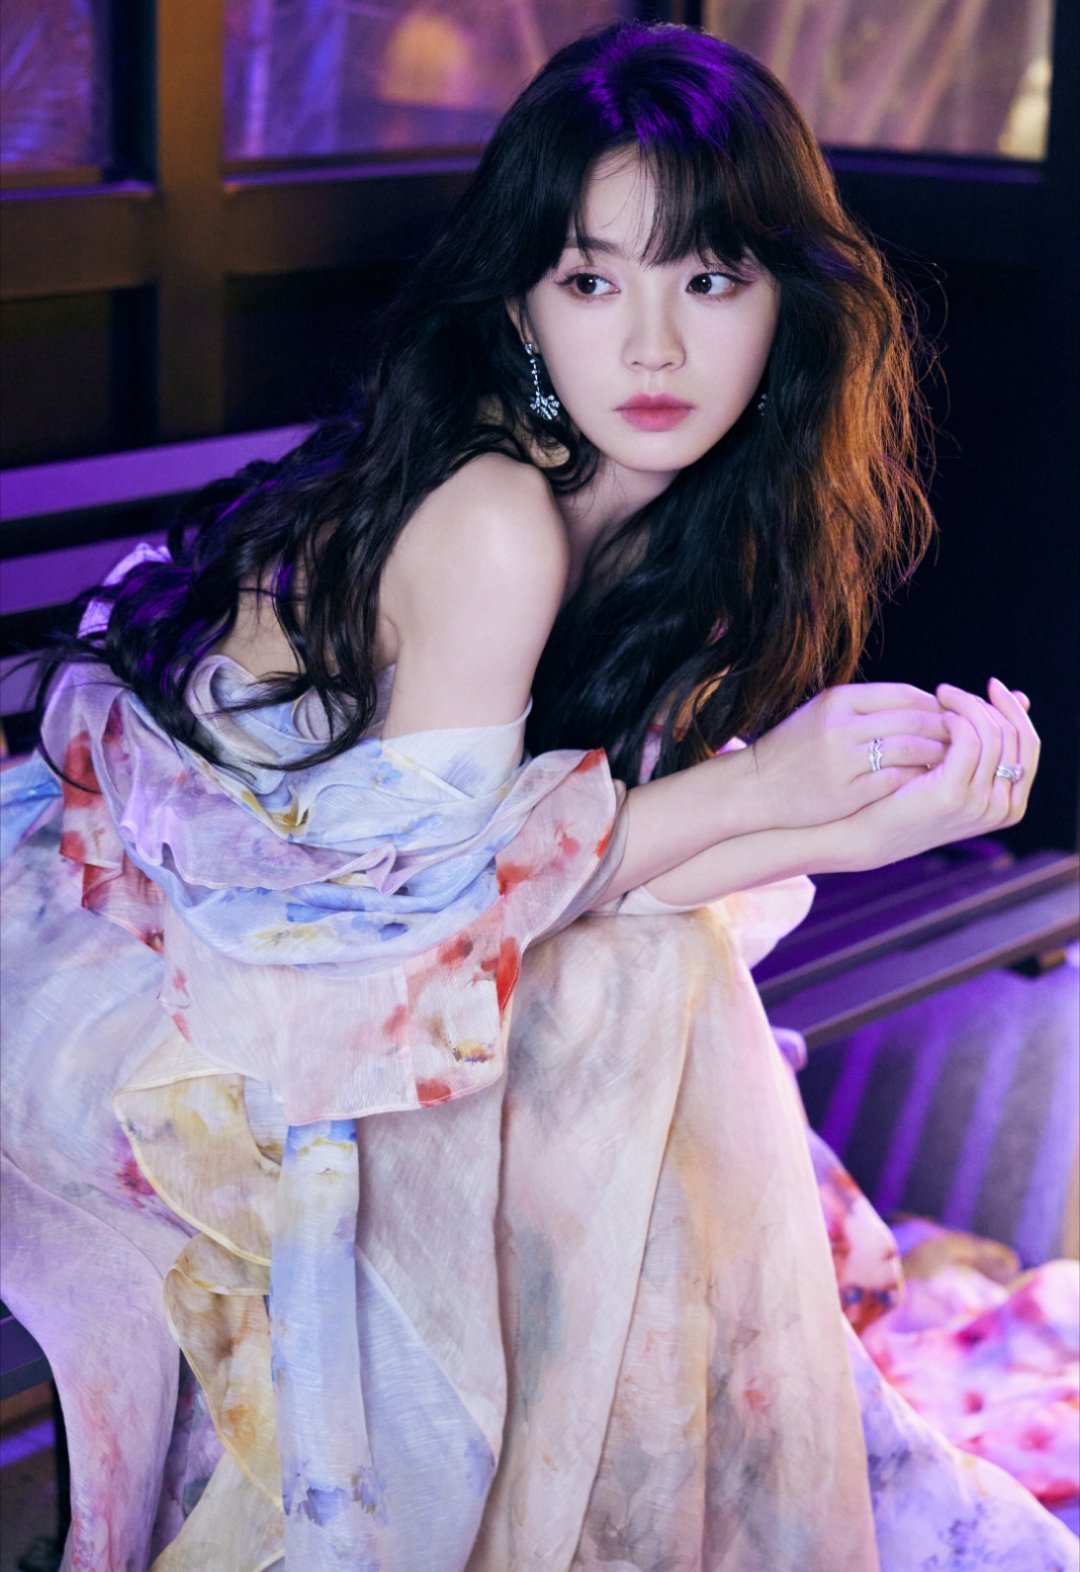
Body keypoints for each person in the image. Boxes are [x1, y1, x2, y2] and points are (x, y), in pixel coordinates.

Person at [0, 20, 1070, 1572]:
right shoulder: (499, 516)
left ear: (787, 298)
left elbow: (558, 874)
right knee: (624, 998)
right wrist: (777, 785)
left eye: (710, 279)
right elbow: (424, 926)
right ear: (521, 308)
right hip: (134, 951)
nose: (653, 348)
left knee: (638, 977)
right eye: (592, 281)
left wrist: (869, 821)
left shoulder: (689, 526)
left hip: (342, 938)